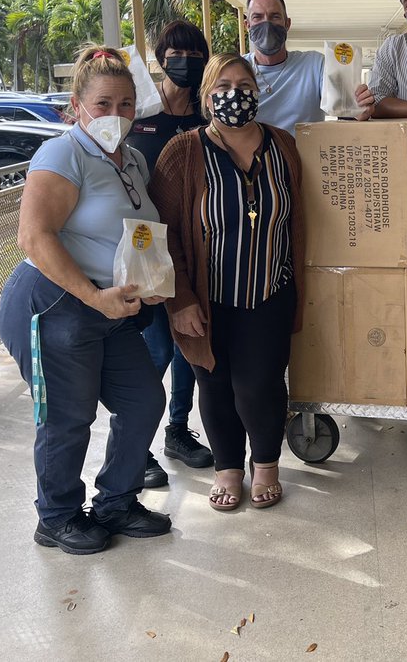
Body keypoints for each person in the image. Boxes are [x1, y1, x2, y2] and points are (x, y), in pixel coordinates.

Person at [0, 45, 171, 555]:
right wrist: (94, 298)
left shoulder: (133, 160)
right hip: (56, 302)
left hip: (111, 307)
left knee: (143, 400)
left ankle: (116, 500)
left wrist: (149, 284)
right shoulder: (62, 154)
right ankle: (56, 516)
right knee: (67, 418)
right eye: (102, 104)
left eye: (125, 104)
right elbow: (35, 236)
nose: (114, 115)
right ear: (77, 105)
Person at [150, 52, 305, 511]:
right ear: (205, 97)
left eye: (243, 83)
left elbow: (300, 218)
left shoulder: (283, 145)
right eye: (221, 87)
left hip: (269, 290)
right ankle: (228, 470)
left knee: (260, 384)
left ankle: (267, 466)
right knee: (213, 382)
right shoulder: (184, 152)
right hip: (205, 298)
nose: (233, 94)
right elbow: (165, 231)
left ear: (259, 90)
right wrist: (180, 300)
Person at [127, 20, 215, 488]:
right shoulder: (138, 109)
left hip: (195, 247)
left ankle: (178, 432)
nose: (184, 61)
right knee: (157, 349)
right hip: (147, 246)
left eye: (194, 53)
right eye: (174, 53)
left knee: (190, 343)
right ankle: (133, 448)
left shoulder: (207, 113)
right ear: (160, 58)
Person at [240, 0, 328, 131]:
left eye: (275, 16)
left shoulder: (315, 65)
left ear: (287, 24)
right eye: (257, 17)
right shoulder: (236, 70)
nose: (266, 24)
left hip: (302, 153)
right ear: (247, 25)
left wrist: (357, 106)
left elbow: (342, 105)